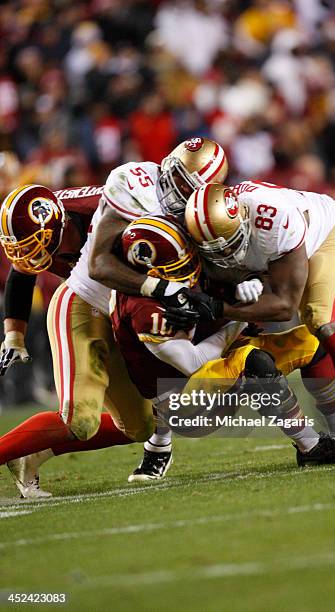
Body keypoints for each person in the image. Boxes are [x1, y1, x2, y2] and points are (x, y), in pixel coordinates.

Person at [0, 137, 227, 496]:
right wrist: (14, 332)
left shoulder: (99, 205)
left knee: (139, 426)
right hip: (80, 304)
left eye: (35, 247)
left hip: (121, 310)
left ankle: (32, 453)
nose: (32, 258)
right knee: (80, 419)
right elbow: (21, 270)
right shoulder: (65, 220)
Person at [167, 180, 335, 457]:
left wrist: (219, 308)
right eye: (214, 251)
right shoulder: (201, 227)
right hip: (290, 257)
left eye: (229, 245)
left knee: (324, 320)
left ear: (243, 220)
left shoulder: (274, 220)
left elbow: (284, 306)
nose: (224, 255)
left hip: (329, 237)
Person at [111, 214, 335, 477]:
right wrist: (239, 316)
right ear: (151, 273)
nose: (191, 270)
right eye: (178, 267)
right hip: (185, 403)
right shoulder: (147, 310)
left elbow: (230, 276)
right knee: (253, 362)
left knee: (308, 343)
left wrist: (249, 282)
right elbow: (194, 363)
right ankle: (311, 447)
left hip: (220, 362)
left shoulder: (177, 274)